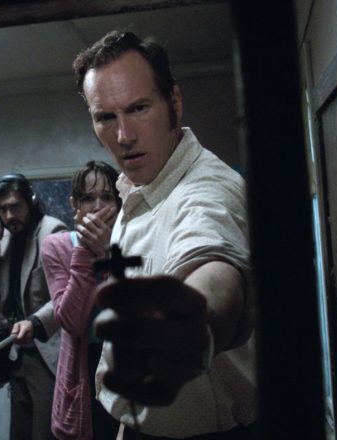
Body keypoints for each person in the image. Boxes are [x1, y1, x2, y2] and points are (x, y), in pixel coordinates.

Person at [73, 31, 257, 439]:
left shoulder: (207, 190)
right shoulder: (135, 188)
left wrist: (191, 323)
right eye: (106, 118)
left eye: (138, 108)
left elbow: (214, 261)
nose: (124, 136)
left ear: (174, 101)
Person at [40, 161, 123, 440]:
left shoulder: (134, 241)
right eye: (88, 198)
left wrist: (110, 253)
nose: (98, 206)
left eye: (107, 197)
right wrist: (85, 251)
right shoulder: (56, 246)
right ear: (74, 204)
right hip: (82, 367)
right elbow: (71, 321)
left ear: (119, 203)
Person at [0, 174, 67, 440]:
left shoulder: (53, 231)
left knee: (44, 433)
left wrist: (35, 322)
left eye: (15, 206)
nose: (10, 215)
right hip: (16, 353)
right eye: (3, 209)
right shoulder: (6, 238)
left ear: (30, 202)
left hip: (47, 351)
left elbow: (68, 294)